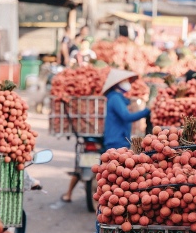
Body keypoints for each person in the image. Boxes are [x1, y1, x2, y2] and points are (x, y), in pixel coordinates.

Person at [62, 69, 151, 202]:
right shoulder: (115, 98)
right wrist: (148, 110)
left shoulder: (119, 98)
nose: (128, 83)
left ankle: (71, 193)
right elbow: (126, 117)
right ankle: (113, 197)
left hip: (117, 138)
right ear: (117, 84)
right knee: (117, 174)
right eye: (125, 81)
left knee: (112, 173)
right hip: (117, 140)